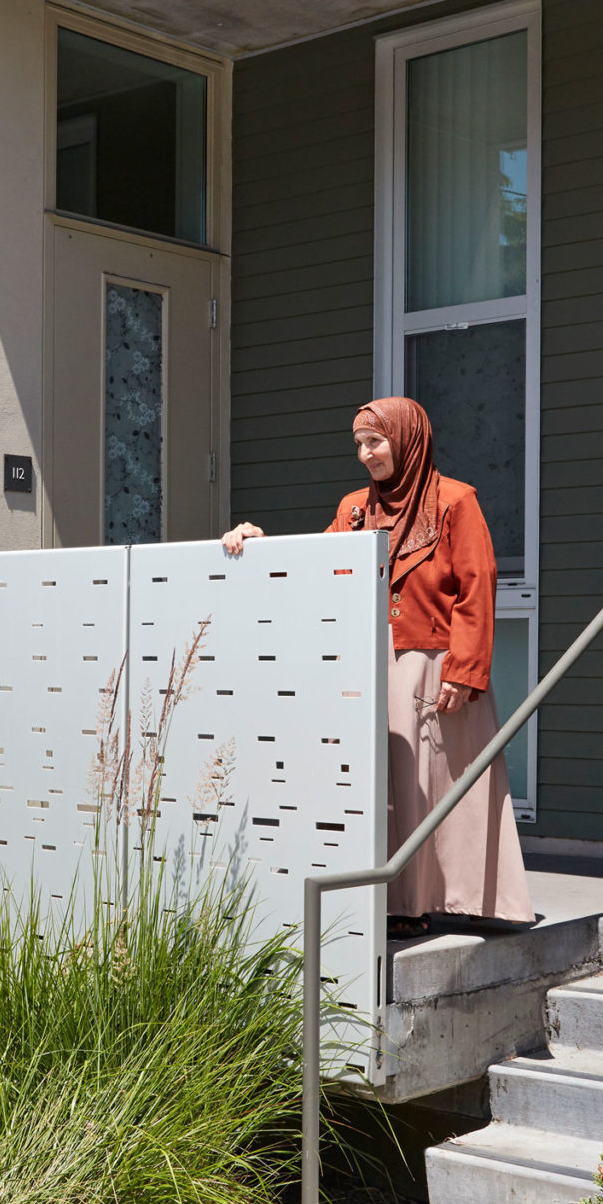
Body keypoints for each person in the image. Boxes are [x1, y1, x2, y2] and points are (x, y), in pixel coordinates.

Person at [224, 397, 533, 936]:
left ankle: (462, 898)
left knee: (439, 783)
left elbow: (477, 586)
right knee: (385, 785)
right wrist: (262, 545)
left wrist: (464, 669)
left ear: (407, 439)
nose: (366, 454)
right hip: (368, 665)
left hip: (434, 665)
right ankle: (398, 903)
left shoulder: (456, 501)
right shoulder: (354, 509)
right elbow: (319, 565)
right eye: (359, 444)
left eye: (376, 441)